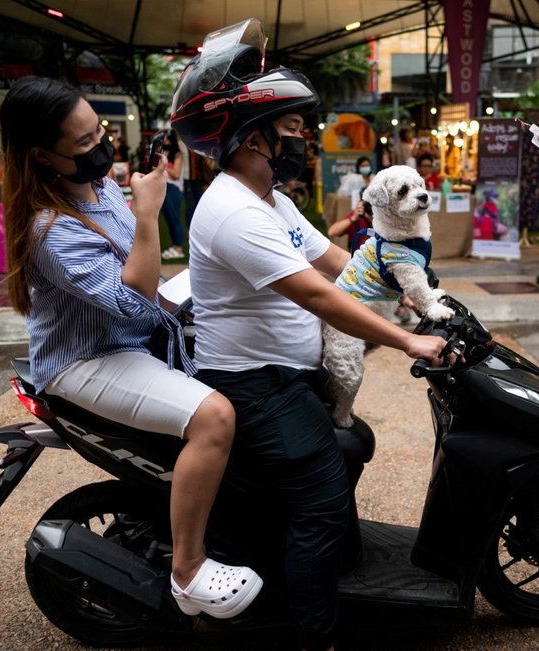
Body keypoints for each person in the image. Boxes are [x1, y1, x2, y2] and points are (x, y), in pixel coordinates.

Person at [170, 24, 446, 650]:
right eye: (291, 128)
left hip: (288, 378)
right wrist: (409, 342)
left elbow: (341, 267)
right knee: (323, 496)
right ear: (250, 134)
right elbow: (320, 296)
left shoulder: (272, 199)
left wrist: (411, 290)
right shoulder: (234, 210)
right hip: (253, 386)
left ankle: (308, 562)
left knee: (355, 445)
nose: (303, 139)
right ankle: (314, 635)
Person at [0, 76, 260, 620]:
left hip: (134, 337)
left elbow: (147, 288)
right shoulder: (50, 228)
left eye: (101, 131)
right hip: (86, 360)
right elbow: (133, 302)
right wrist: (147, 215)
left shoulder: (100, 189)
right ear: (43, 157)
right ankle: (188, 571)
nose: (101, 147)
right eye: (84, 144)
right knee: (215, 418)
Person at [160, 130, 186, 259]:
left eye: (166, 139)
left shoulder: (177, 155)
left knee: (175, 219)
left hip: (173, 189)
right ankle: (174, 246)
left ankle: (179, 248)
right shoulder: (164, 153)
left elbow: (176, 174)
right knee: (168, 219)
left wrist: (163, 167)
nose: (164, 141)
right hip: (163, 187)